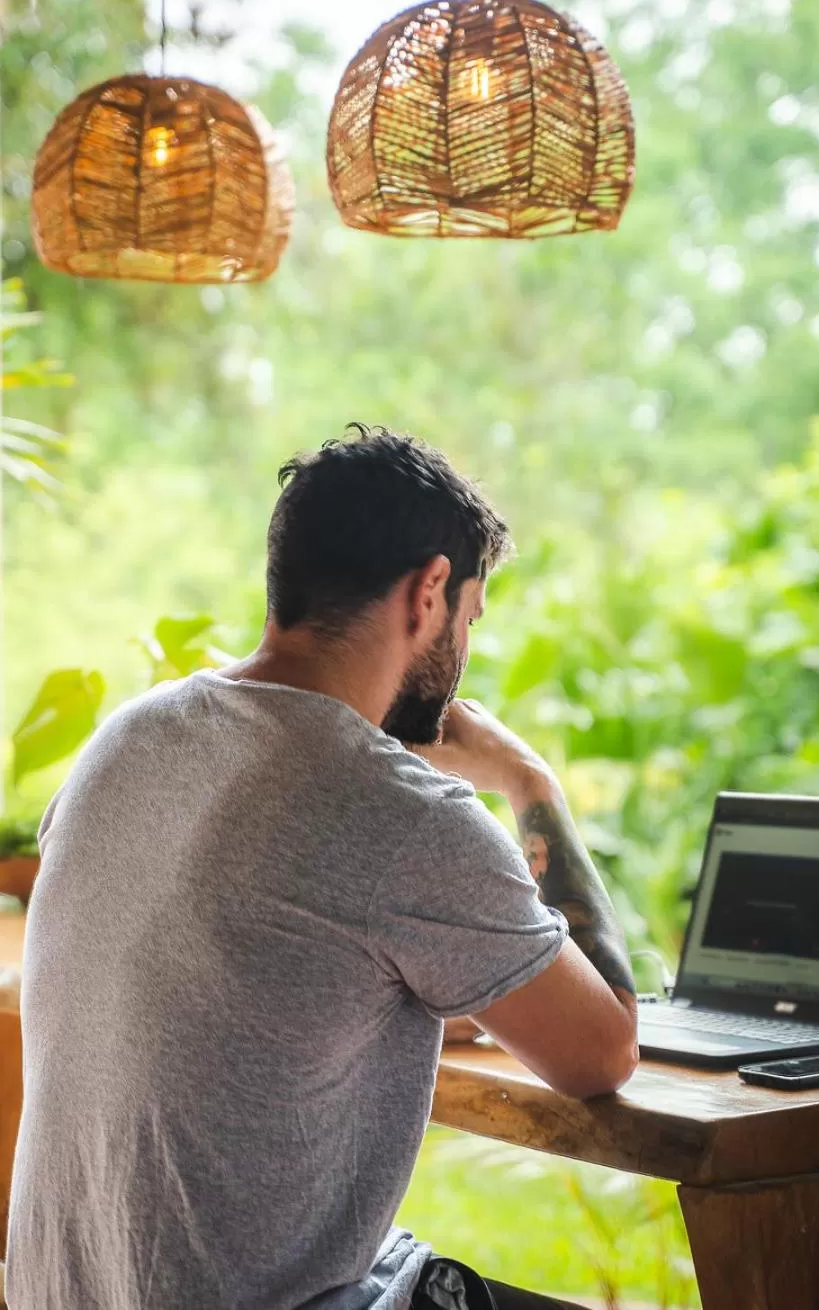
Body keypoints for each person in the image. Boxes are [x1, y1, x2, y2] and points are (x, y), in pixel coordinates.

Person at [6, 426, 637, 1310]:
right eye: (471, 615)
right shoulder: (401, 810)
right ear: (429, 592)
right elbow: (603, 1050)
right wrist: (528, 782)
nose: (466, 648)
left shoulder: (129, 739)